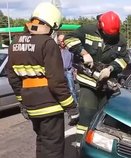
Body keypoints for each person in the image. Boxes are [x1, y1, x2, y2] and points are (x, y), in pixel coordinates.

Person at [6, 2, 79, 158]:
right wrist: (71, 107)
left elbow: (12, 77)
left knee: (41, 143)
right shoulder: (47, 43)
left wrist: (22, 101)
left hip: (31, 106)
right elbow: (56, 82)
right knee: (52, 149)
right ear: (51, 23)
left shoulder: (15, 43)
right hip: (50, 106)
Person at [64, 11, 129, 138]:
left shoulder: (120, 40)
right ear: (100, 26)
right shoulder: (87, 30)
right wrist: (84, 53)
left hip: (107, 85)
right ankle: (80, 145)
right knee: (87, 114)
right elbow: (69, 39)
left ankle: (98, 145)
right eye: (106, 34)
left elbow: (124, 59)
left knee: (104, 119)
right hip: (87, 81)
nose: (108, 37)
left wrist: (110, 69)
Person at [57, 34, 79, 106]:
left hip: (68, 71)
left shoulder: (71, 49)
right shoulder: (56, 50)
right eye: (60, 41)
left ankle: (75, 104)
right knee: (62, 90)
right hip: (59, 72)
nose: (62, 43)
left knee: (71, 89)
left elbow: (75, 61)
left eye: (63, 41)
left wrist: (75, 71)